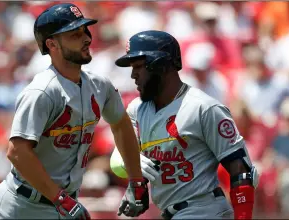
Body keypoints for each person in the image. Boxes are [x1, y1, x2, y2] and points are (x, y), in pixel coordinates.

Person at [0, 3, 149, 219]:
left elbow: (121, 125)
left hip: (64, 203)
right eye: (75, 34)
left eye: (85, 31)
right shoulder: (42, 91)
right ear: (52, 44)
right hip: (22, 206)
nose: (86, 39)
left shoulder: (100, 86)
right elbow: (17, 152)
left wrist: (136, 180)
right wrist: (60, 199)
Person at [110, 30, 258, 219]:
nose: (133, 75)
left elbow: (241, 172)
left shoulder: (203, 107)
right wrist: (135, 182)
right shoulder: (137, 109)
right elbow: (121, 149)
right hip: (170, 212)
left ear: (162, 66)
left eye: (139, 66)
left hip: (204, 209)